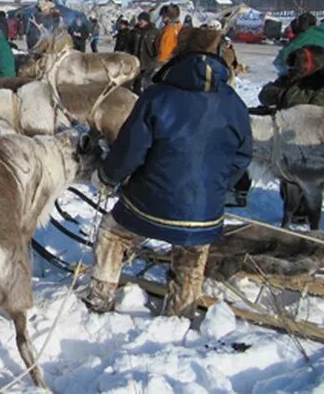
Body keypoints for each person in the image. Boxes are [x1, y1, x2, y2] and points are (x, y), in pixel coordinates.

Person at [83, 27, 252, 318]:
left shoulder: (157, 96)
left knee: (113, 234)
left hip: (150, 203)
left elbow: (131, 151)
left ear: (178, 54)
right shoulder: (234, 103)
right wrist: (216, 187)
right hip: (205, 211)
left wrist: (107, 177)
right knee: (191, 254)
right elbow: (242, 156)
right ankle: (180, 313)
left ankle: (100, 298)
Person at [130, 12, 160, 93]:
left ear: (147, 21)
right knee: (136, 85)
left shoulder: (155, 32)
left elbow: (157, 47)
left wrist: (155, 59)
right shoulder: (134, 32)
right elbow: (129, 46)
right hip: (136, 62)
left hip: (148, 62)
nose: (139, 22)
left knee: (146, 85)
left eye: (141, 20)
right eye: (139, 20)